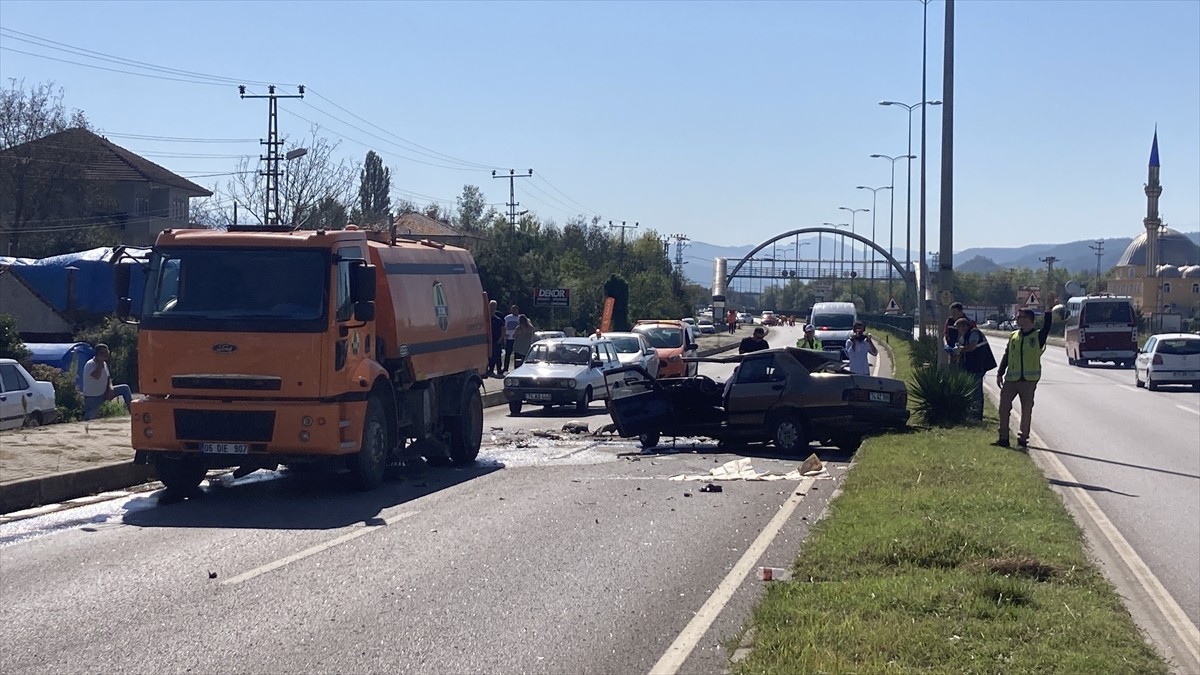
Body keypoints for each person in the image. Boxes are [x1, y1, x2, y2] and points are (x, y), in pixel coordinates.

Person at [995, 293, 1056, 448]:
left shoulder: (1037, 336)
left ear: (1028, 319)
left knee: (1026, 410)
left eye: (1020, 317)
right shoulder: (1014, 335)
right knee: (1003, 408)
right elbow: (1007, 354)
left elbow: (1047, 326)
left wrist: (1048, 309)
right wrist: (1000, 372)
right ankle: (1003, 438)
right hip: (1011, 379)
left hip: (1028, 381)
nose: (1017, 319)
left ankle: (1023, 438)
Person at [953, 317, 996, 421]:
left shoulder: (974, 333)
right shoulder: (965, 335)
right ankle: (971, 413)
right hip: (971, 365)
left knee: (976, 391)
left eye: (958, 328)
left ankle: (977, 415)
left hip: (978, 365)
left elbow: (972, 346)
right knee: (970, 390)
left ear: (964, 326)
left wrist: (961, 350)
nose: (958, 330)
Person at [82, 343, 133, 420]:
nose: (106, 354)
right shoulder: (90, 364)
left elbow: (108, 378)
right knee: (90, 420)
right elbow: (97, 376)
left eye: (107, 352)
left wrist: (110, 388)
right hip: (93, 398)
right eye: (103, 353)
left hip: (104, 393)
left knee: (125, 388)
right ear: (98, 354)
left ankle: (133, 414)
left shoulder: (104, 363)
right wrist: (100, 363)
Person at [487, 300, 504, 377]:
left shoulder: (498, 319)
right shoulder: (485, 318)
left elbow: (503, 329)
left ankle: (499, 370)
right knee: (490, 356)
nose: (492, 307)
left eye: (494, 305)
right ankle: (490, 370)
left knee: (497, 356)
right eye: (491, 305)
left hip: (496, 340)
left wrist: (500, 339)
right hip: (487, 340)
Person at [503, 304, 520, 373]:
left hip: (517, 339)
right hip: (509, 338)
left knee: (517, 354)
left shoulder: (520, 318)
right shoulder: (507, 318)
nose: (514, 311)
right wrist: (504, 334)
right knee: (508, 354)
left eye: (516, 309)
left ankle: (517, 368)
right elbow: (504, 327)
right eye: (513, 309)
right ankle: (505, 368)